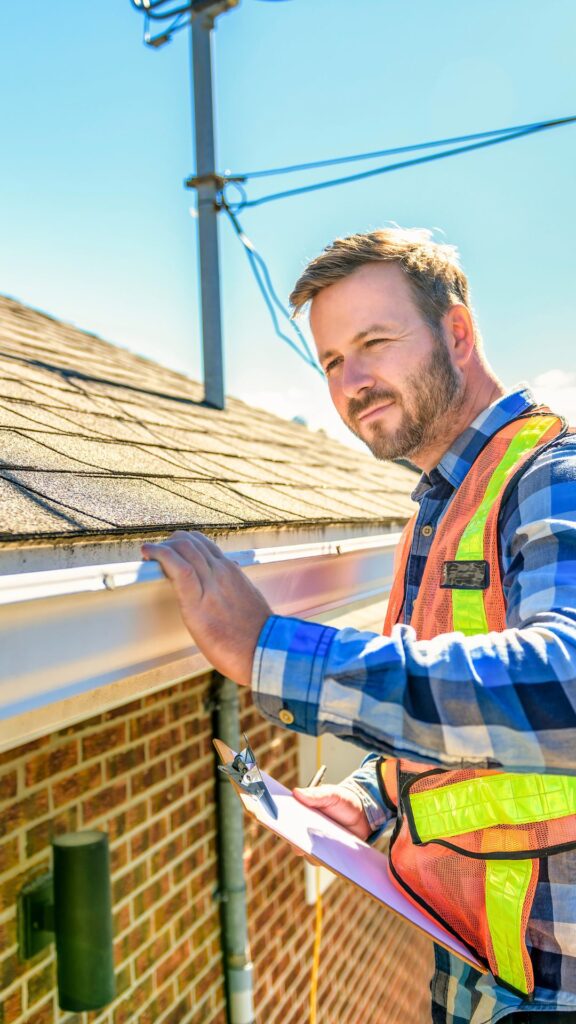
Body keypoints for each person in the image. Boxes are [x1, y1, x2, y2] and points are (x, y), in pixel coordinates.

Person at [141, 228, 576, 1024]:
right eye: (334, 361)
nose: (353, 381)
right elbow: (481, 738)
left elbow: (565, 684)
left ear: (457, 333)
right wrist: (377, 796)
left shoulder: (553, 477)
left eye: (374, 341)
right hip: (485, 980)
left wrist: (270, 650)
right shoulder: (438, 511)